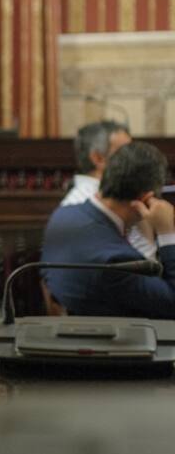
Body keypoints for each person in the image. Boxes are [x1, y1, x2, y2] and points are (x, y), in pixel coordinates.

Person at [42, 141, 175, 317]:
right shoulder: (116, 260)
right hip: (116, 331)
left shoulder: (64, 214)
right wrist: (168, 234)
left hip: (72, 321)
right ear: (146, 199)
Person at [61, 120, 155, 259]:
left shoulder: (123, 195)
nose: (135, 159)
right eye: (125, 153)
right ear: (98, 158)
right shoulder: (82, 206)